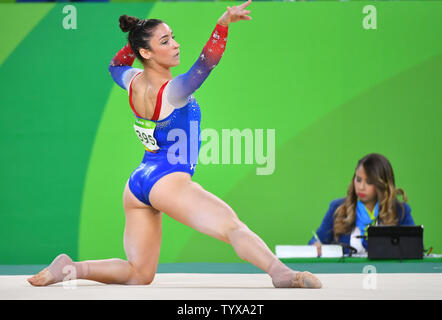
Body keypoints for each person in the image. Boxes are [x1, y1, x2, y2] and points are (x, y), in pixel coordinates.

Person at [28, 0, 322, 289]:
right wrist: (222, 26)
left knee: (138, 274)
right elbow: (207, 63)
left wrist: (132, 46)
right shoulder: (172, 92)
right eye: (166, 41)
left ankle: (71, 268)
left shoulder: (132, 81)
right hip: (168, 180)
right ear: (147, 52)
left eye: (173, 37)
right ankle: (281, 273)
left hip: (138, 184)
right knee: (232, 227)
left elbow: (115, 65)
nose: (176, 45)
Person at [309, 153, 414, 256]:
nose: (361, 187)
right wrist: (316, 245)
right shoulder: (338, 208)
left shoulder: (400, 211)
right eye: (358, 180)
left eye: (368, 182)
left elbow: (415, 249)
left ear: (381, 184)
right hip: (347, 273)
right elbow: (316, 240)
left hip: (386, 273)